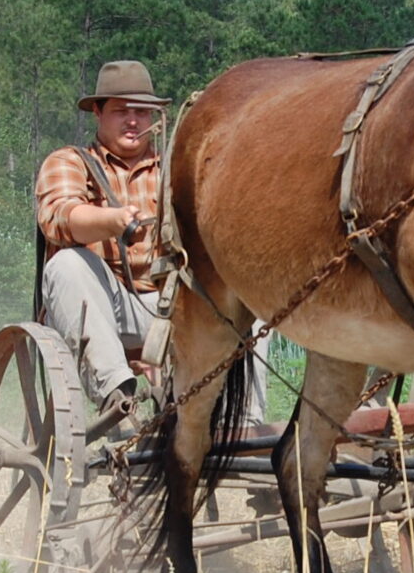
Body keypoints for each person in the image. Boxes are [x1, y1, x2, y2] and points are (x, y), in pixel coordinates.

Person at [34, 61, 269, 423]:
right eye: (121, 111)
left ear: (155, 118)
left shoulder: (177, 169)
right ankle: (118, 397)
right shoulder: (69, 161)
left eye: (142, 112)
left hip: (175, 305)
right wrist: (111, 221)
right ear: (97, 112)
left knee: (249, 295)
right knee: (66, 264)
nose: (133, 121)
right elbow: (61, 217)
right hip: (107, 309)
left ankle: (246, 425)